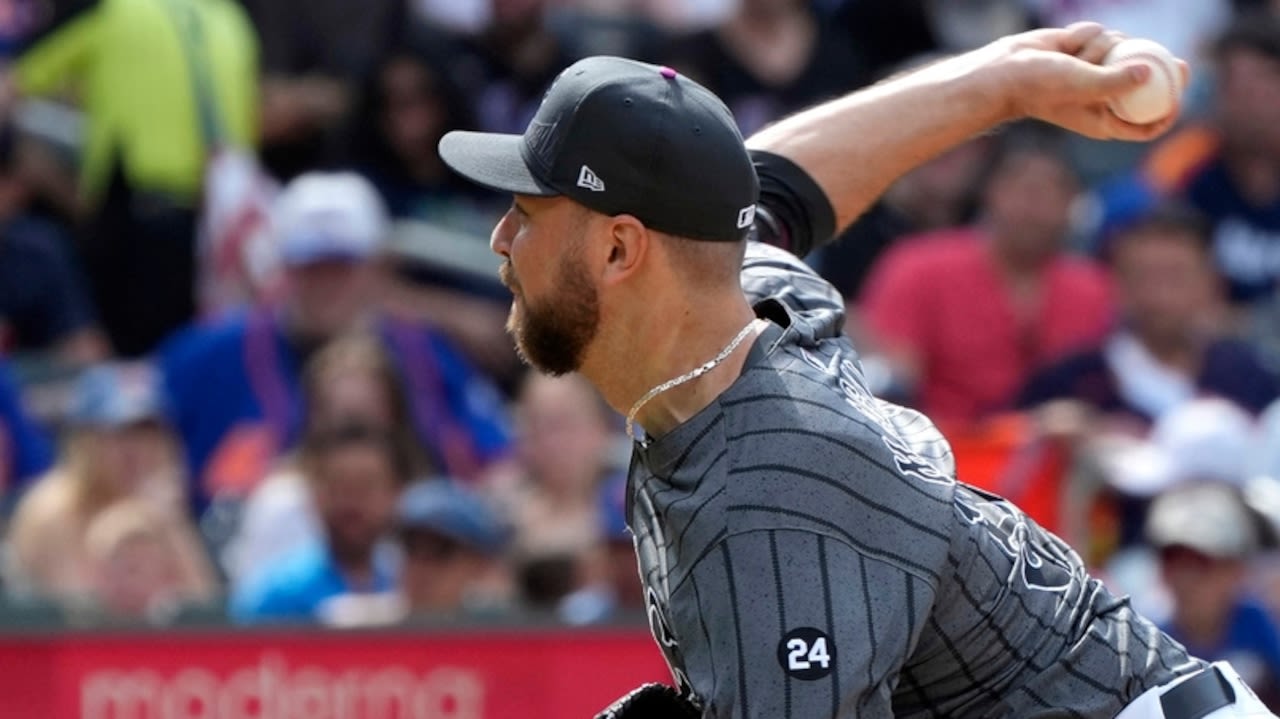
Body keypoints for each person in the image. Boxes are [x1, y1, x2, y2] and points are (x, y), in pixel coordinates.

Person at [437, 23, 1278, 719]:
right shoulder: (745, 307)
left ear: (621, 248)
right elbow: (775, 183)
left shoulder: (771, 500)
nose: (500, 241)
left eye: (525, 211)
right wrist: (1002, 81)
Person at [158, 171, 513, 517]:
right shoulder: (209, 355)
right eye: (310, 267)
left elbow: (497, 454)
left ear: (376, 268)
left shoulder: (422, 352)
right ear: (284, 268)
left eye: (341, 267)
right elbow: (142, 419)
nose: (326, 285)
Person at [10, 0, 258, 355]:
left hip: (139, 222)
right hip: (220, 229)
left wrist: (36, 170)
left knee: (132, 372)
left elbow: (13, 83)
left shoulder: (113, 10)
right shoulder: (229, 18)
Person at [858, 122, 1114, 429]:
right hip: (938, 451)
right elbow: (892, 382)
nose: (1033, 206)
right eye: (1022, 188)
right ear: (990, 191)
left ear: (1073, 203)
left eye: (1052, 191)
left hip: (1056, 456)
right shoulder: (918, 265)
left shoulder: (1094, 286)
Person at [1019, 202, 1278, 425]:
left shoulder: (1250, 379)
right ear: (1117, 286)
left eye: (1175, 278)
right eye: (1144, 277)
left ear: (1211, 286)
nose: (1160, 298)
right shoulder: (1072, 382)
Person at [5, 362, 215, 607]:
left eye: (146, 432)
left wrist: (169, 523)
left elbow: (203, 609)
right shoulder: (54, 509)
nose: (135, 450)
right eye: (119, 434)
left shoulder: (161, 508)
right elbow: (80, 618)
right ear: (84, 441)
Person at [229, 422, 412, 624]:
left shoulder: (415, 582)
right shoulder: (273, 597)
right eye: (340, 486)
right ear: (315, 494)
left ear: (395, 493)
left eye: (367, 485)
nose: (353, 501)